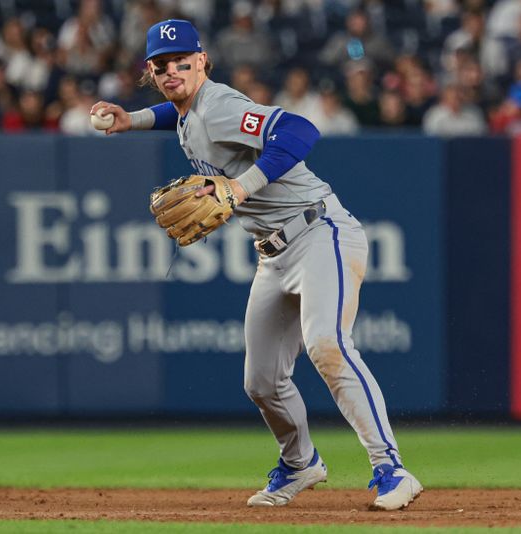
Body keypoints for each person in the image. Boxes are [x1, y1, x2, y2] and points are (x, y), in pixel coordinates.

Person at [90, 19, 422, 510]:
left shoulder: (220, 104)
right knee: (261, 380)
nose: (173, 71)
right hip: (273, 252)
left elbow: (300, 130)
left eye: (184, 61)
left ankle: (390, 466)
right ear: (152, 72)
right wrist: (130, 120)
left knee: (326, 344)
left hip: (318, 232)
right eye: (162, 66)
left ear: (203, 60)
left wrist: (242, 187)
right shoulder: (191, 110)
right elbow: (177, 116)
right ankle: (300, 463)